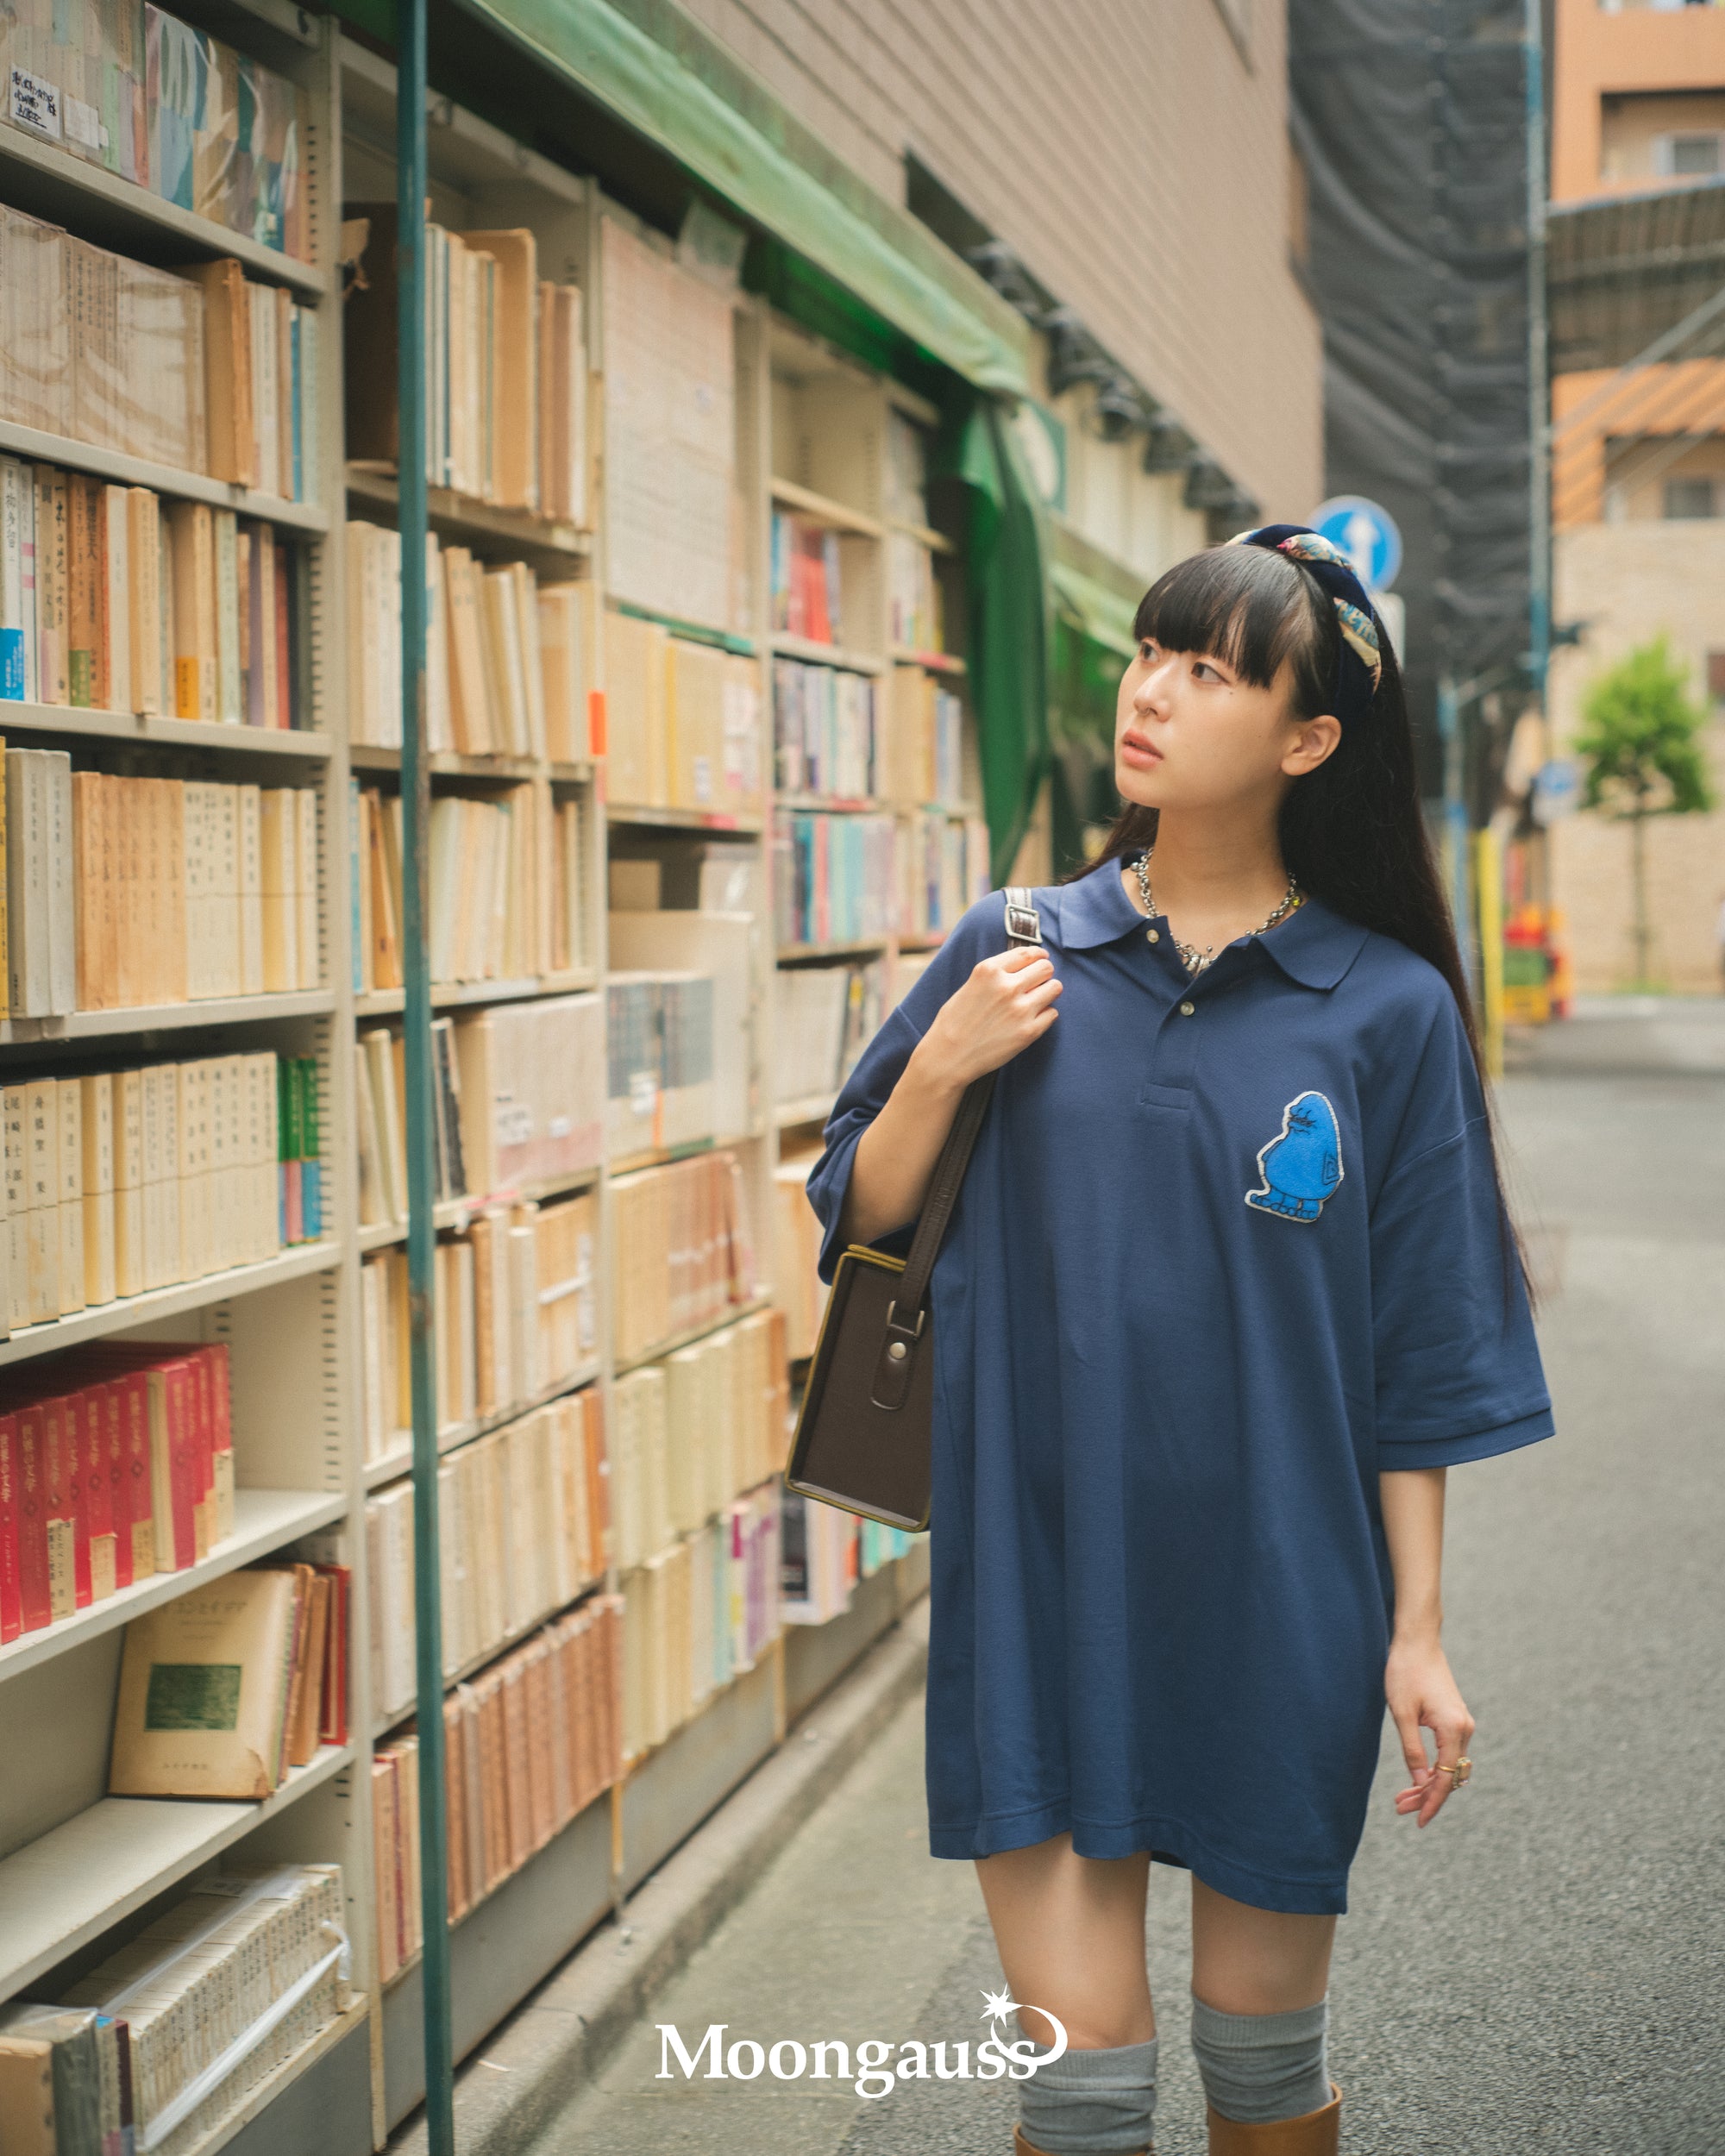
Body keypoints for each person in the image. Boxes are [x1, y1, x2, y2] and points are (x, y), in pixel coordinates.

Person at [802, 527, 1554, 2156]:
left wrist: (1417, 1632)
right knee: (1082, 2095)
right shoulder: (1017, 944)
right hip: (1038, 1577)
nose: (1152, 690)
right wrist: (943, 1063)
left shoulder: (1386, 1008)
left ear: (1307, 740)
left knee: (1266, 2077)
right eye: (1152, 652)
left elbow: (1419, 1345)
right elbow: (854, 1215)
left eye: (1210, 669)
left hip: (1284, 1592)